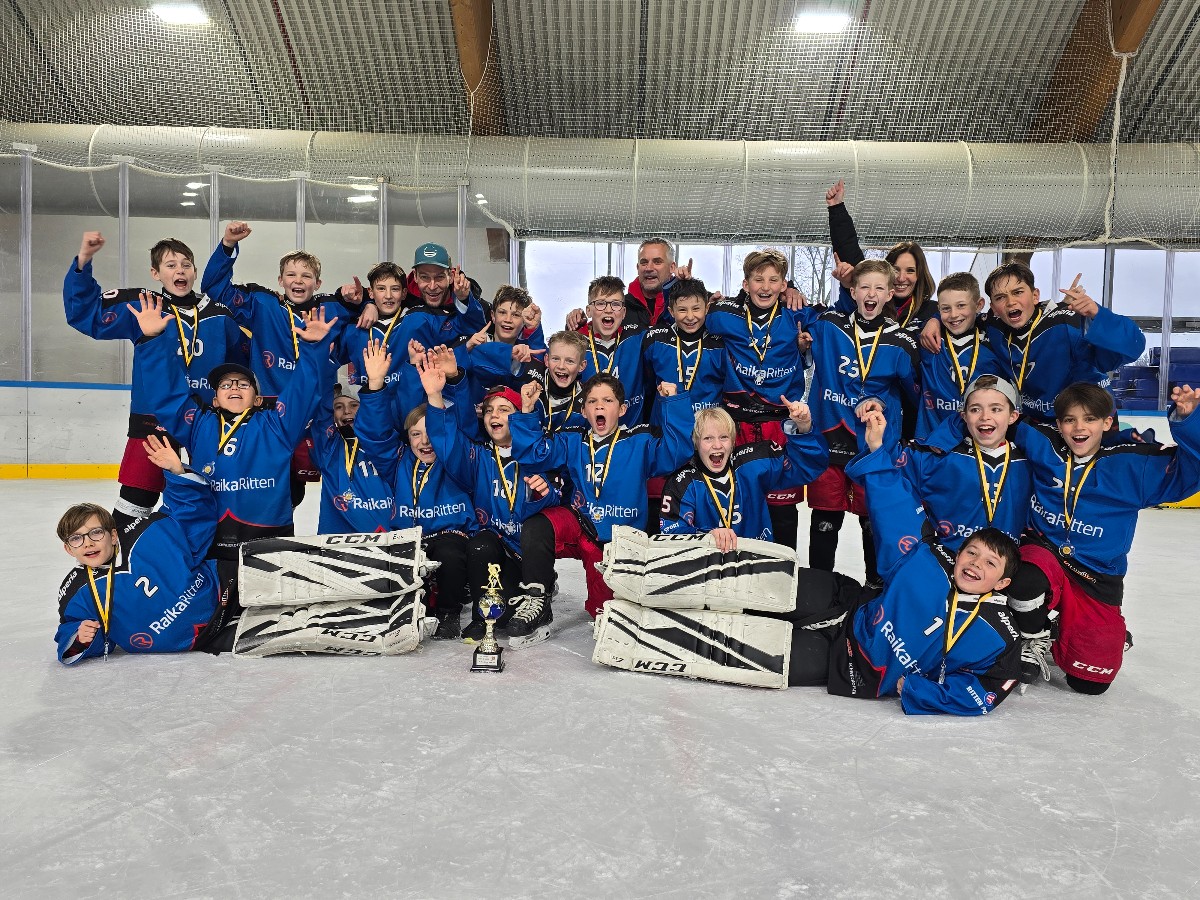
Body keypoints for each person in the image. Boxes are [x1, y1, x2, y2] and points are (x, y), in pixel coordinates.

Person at [131, 292, 336, 603]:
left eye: (243, 384)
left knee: (271, 611)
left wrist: (313, 347)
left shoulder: (278, 424)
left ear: (258, 398)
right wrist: (153, 340)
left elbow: (303, 390)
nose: (234, 387)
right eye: (225, 385)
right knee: (218, 610)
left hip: (269, 541)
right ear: (214, 399)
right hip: (213, 542)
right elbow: (167, 394)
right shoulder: (197, 424)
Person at [1005, 381, 1200, 693]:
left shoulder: (1134, 464)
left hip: (1096, 573)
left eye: (1090, 419)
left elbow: (1189, 472)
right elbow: (989, 418)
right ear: (1058, 424)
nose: (1079, 428)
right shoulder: (1041, 441)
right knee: (1026, 580)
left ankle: (1076, 629)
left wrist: (1188, 420)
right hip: (1044, 550)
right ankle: (1033, 635)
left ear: (1107, 423)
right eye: (1070, 420)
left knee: (1090, 684)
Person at [64, 231, 244, 529]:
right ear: (155, 273)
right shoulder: (145, 305)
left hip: (206, 420)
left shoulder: (220, 314)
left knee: (213, 493)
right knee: (138, 499)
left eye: (186, 265)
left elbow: (239, 368)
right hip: (153, 418)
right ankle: (125, 553)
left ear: (195, 271)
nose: (179, 271)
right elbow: (85, 314)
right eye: (170, 265)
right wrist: (83, 262)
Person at [507, 373, 694, 639]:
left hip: (615, 545)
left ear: (622, 409)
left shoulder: (639, 441)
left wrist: (673, 402)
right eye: (592, 401)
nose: (599, 406)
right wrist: (527, 411)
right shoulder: (573, 441)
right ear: (583, 411)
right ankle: (538, 597)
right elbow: (533, 454)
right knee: (538, 526)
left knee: (604, 614)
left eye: (607, 400)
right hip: (580, 526)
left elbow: (677, 452)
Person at [200, 220, 368, 506]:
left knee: (303, 488)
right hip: (270, 412)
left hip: (315, 413)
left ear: (317, 283)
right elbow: (214, 287)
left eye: (306, 275)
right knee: (263, 482)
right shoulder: (263, 304)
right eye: (291, 274)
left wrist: (366, 304)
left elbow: (378, 307)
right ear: (280, 280)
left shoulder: (333, 308)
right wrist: (228, 245)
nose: (298, 280)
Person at [54, 435, 230, 664]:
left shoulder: (147, 532)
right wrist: (80, 638)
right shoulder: (77, 592)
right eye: (76, 539)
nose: (88, 543)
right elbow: (79, 633)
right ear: (68, 549)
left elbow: (190, 516)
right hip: (210, 641)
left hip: (224, 598)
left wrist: (177, 472)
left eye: (95, 533)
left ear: (113, 535)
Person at [798, 258, 919, 586]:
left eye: (879, 288)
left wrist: (883, 403)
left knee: (873, 525)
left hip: (873, 449)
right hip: (829, 444)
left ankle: (874, 592)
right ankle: (819, 591)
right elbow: (792, 318)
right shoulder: (829, 325)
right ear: (852, 291)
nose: (871, 294)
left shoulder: (902, 341)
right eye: (864, 287)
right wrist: (791, 291)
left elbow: (914, 395)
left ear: (890, 294)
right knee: (824, 523)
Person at [419, 364, 560, 642]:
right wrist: (434, 396)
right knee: (480, 543)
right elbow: (448, 442)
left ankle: (542, 588)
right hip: (493, 547)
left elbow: (557, 498)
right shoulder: (479, 456)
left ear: (518, 417)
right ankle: (481, 618)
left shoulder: (538, 452)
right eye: (489, 410)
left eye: (504, 409)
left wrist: (544, 494)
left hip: (526, 555)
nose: (494, 415)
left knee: (511, 615)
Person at [921, 263, 1146, 423]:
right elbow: (960, 314)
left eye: (1018, 292)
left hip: (1086, 422)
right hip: (1037, 424)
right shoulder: (993, 325)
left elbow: (1133, 347)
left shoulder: (1067, 323)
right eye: (1000, 298)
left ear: (1035, 295)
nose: (1010, 302)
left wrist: (1096, 313)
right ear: (992, 306)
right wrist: (934, 319)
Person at [355, 344, 477, 639]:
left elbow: (459, 428)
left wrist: (442, 390)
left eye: (431, 432)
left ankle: (448, 613)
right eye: (416, 434)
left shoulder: (456, 460)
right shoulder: (398, 460)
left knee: (448, 554)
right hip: (409, 538)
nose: (425, 442)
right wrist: (375, 383)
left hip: (450, 537)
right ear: (407, 437)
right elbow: (375, 434)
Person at [706, 249, 811, 549]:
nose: (765, 287)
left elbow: (837, 321)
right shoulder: (723, 315)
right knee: (736, 502)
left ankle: (784, 568)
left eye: (773, 280)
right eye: (758, 279)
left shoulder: (797, 314)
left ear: (783, 285)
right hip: (737, 424)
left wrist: (805, 345)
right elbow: (687, 315)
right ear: (745, 284)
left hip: (779, 425)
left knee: (782, 508)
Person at [883, 376, 1032, 551]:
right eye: (975, 409)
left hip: (1005, 562)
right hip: (947, 558)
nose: (985, 417)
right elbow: (885, 462)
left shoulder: (1029, 463)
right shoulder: (938, 457)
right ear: (964, 416)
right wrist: (878, 419)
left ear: (1013, 416)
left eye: (996, 409)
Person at [660, 404, 828, 547]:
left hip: (756, 562)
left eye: (724, 437)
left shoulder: (753, 463)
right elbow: (671, 534)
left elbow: (809, 466)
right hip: (706, 567)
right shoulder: (682, 482)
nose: (717, 445)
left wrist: (804, 428)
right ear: (696, 443)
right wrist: (708, 536)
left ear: (733, 441)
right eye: (708, 438)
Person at [825, 179, 938, 331]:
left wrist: (936, 320)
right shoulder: (871, 302)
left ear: (920, 275)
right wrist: (837, 209)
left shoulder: (931, 311)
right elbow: (850, 253)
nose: (901, 278)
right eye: (896, 269)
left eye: (910, 270)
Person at [914, 272, 1005, 440]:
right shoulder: (927, 339)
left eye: (961, 305)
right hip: (932, 441)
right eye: (946, 308)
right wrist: (934, 319)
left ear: (979, 305)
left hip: (982, 438)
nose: (954, 314)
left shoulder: (995, 340)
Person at [308, 380, 394, 534]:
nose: (346, 411)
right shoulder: (328, 449)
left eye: (354, 405)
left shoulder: (384, 442)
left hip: (389, 536)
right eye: (338, 407)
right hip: (340, 541)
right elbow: (320, 415)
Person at [577, 276, 650, 425]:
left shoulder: (639, 338)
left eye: (616, 304)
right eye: (600, 304)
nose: (609, 310)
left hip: (630, 433)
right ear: (589, 311)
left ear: (624, 312)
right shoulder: (575, 343)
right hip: (589, 434)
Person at [522, 331, 590, 435]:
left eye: (570, 361)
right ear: (546, 360)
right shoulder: (530, 390)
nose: (561, 366)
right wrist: (527, 411)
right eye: (555, 359)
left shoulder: (588, 400)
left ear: (582, 366)